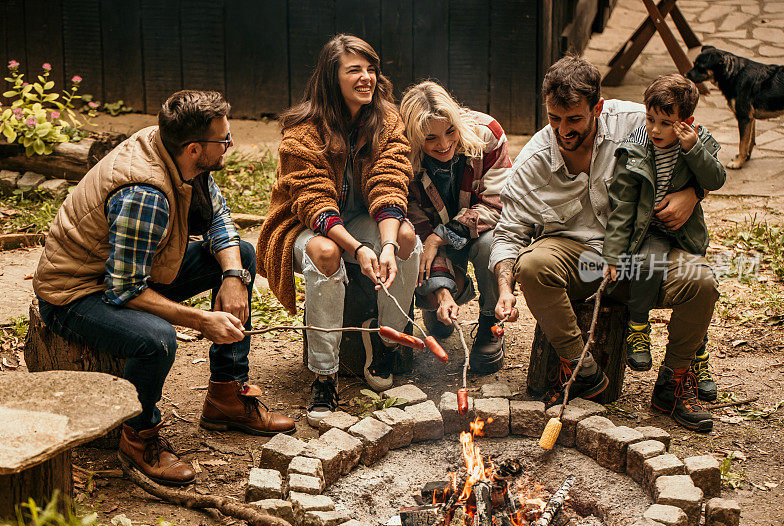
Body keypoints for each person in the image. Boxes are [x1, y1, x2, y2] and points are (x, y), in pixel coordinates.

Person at [32, 90, 296, 487]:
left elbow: (219, 218)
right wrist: (202, 320)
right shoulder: (146, 193)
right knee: (157, 339)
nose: (230, 146)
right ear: (195, 148)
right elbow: (124, 290)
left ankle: (226, 396)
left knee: (240, 253)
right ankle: (139, 437)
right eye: (224, 141)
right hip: (78, 292)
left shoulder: (178, 153)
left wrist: (233, 278)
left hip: (126, 270)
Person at [490, 55, 720, 433]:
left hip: (640, 253)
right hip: (579, 260)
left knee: (701, 281)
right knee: (532, 265)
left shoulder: (636, 121)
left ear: (597, 107)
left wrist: (694, 192)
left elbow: (702, 146)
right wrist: (504, 288)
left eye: (574, 119)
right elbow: (509, 231)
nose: (562, 130)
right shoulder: (534, 159)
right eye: (554, 118)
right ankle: (580, 368)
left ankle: (674, 383)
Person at [256, 35, 420, 428]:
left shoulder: (387, 119)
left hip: (361, 217)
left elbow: (389, 181)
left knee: (407, 239)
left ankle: (386, 342)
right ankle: (324, 375)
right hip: (302, 226)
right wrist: (360, 249)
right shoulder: (302, 131)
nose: (366, 78)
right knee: (328, 253)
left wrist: (385, 244)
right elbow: (315, 206)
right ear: (333, 77)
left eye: (371, 69)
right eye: (354, 71)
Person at [603, 74, 725, 408]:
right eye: (651, 119)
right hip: (649, 229)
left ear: (686, 122)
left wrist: (693, 149)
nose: (656, 130)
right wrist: (613, 256)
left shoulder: (698, 142)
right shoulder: (636, 147)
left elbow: (716, 179)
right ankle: (638, 330)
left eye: (666, 123)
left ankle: (698, 360)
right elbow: (622, 206)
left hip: (685, 234)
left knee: (698, 290)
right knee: (646, 263)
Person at [399, 81, 512, 373]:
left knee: (490, 244)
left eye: (451, 131)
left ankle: (490, 322)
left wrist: (442, 235)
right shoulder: (402, 158)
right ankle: (440, 299)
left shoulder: (488, 134)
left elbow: (497, 205)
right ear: (414, 138)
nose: (444, 144)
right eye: (431, 138)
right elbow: (418, 230)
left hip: (478, 232)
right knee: (434, 295)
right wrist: (442, 291)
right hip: (430, 242)